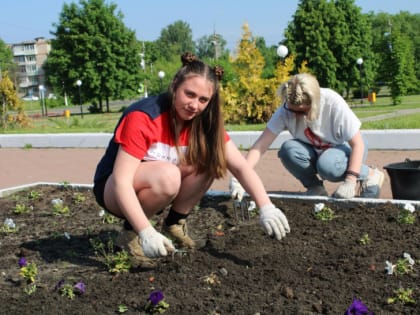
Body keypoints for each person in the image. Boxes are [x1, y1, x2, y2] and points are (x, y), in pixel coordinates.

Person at [93, 52, 290, 268]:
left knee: (211, 159)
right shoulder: (144, 117)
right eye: (189, 94)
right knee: (168, 176)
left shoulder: (205, 123)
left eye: (203, 99)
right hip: (113, 190)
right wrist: (145, 231)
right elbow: (121, 181)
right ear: (175, 85)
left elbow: (241, 167)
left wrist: (266, 206)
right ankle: (131, 235)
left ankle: (175, 223)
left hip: (155, 183)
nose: (194, 105)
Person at [230, 73, 385, 201]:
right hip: (317, 151)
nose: (295, 115)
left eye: (302, 111)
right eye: (292, 111)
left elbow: (358, 144)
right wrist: (241, 176)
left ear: (315, 103)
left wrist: (350, 181)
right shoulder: (286, 110)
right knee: (288, 150)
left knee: (327, 165)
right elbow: (260, 146)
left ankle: (371, 174)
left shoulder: (332, 102)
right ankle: (315, 188)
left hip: (344, 149)